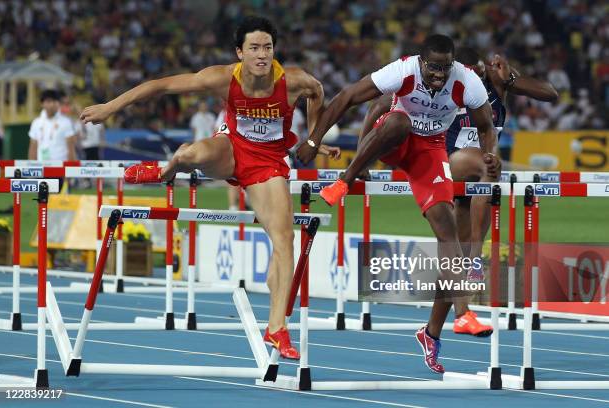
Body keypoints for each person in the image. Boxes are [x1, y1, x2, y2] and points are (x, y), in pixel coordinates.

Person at [81, 16, 340, 360]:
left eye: (267, 47)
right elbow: (160, 86)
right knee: (188, 153)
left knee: (285, 239)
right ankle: (164, 172)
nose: (262, 55)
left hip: (268, 163)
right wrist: (111, 107)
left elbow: (317, 92)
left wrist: (313, 140)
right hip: (232, 150)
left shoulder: (293, 81)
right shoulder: (221, 78)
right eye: (254, 48)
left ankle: (277, 328)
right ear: (240, 52)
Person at [297, 34, 500, 374]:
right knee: (398, 119)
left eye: (445, 68)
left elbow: (486, 126)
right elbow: (348, 97)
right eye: (433, 68)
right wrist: (314, 139)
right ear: (422, 62)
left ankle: (445, 326)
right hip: (394, 140)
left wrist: (491, 155)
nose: (439, 75)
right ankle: (345, 180)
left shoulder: (467, 81)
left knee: (447, 233)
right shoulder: (403, 70)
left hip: (430, 150)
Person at [357, 47, 558, 338]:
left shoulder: (492, 86)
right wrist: (362, 157)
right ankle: (478, 257)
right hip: (447, 165)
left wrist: (511, 77)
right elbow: (378, 106)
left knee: (455, 256)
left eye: (478, 71)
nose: (471, 78)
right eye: (466, 72)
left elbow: (550, 93)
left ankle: (447, 322)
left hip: (475, 189)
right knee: (487, 166)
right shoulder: (440, 87)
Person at [28, 89, 77, 161]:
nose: (52, 104)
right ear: (42, 104)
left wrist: (71, 170)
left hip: (61, 168)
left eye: (55, 101)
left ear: (59, 103)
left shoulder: (66, 122)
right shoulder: (36, 123)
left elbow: (71, 149)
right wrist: (31, 166)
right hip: (42, 167)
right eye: (48, 101)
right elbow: (33, 148)